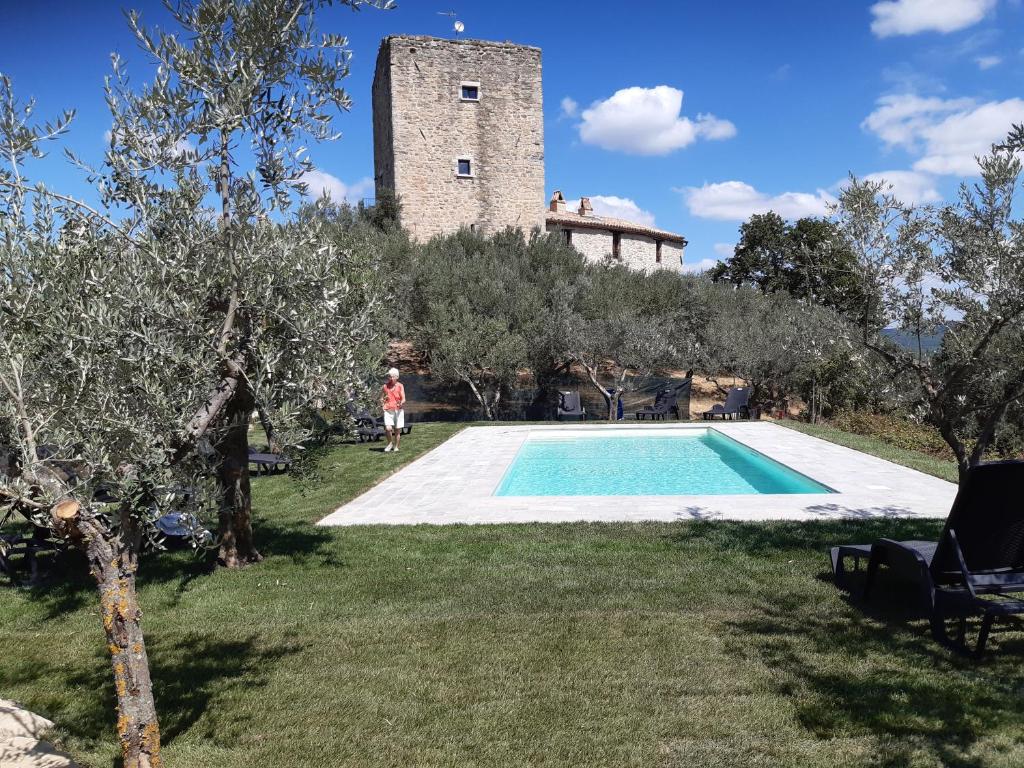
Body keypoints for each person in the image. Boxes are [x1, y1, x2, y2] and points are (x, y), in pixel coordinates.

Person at [380, 367, 406, 453]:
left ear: (396, 377)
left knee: (397, 430)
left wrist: (401, 403)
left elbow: (403, 399)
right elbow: (382, 398)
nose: (390, 378)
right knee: (388, 428)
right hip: (388, 410)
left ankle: (396, 446)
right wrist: (382, 404)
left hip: (398, 410)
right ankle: (390, 443)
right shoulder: (385, 386)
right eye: (389, 376)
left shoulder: (400, 386)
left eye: (392, 376)